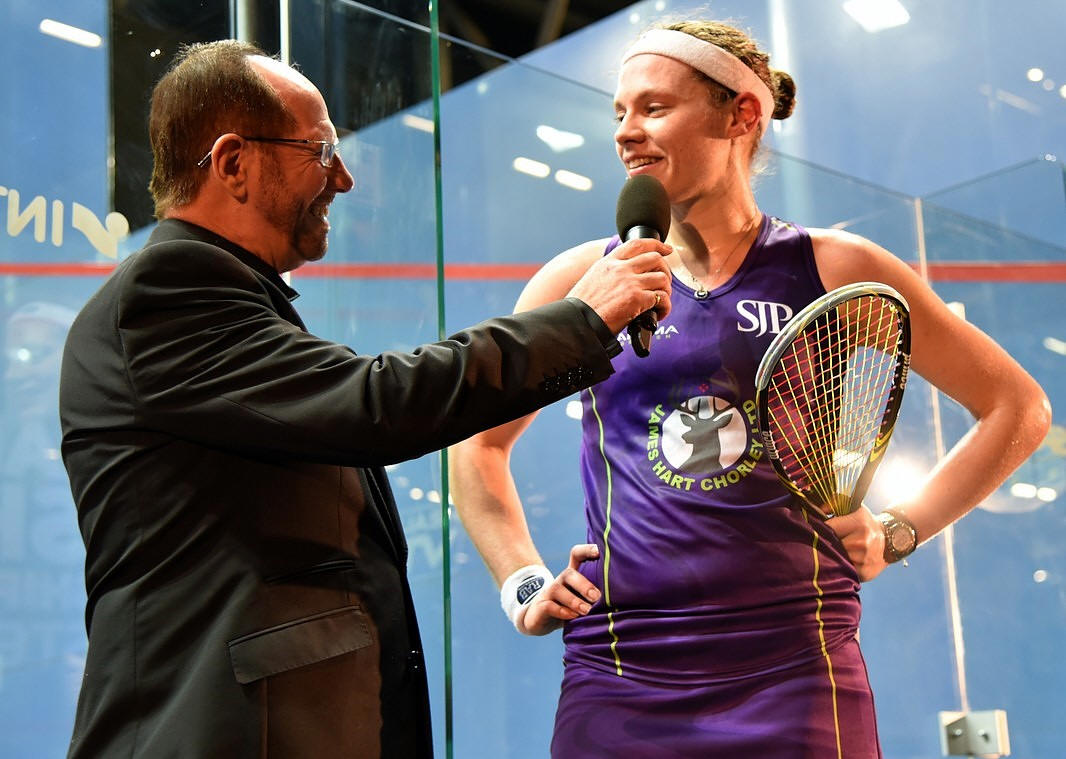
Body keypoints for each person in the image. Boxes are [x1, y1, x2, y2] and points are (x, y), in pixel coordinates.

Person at [449, 20, 1052, 758]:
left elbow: (1017, 408)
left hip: (798, 665)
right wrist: (521, 582)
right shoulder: (579, 279)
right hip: (618, 668)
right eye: (620, 112)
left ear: (741, 116)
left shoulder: (836, 267)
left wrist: (902, 530)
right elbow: (478, 444)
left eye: (654, 108)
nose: (626, 133)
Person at [58, 40, 673, 759]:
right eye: (321, 151)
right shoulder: (166, 293)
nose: (344, 178)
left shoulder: (230, 301)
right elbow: (377, 402)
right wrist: (581, 319)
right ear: (232, 163)